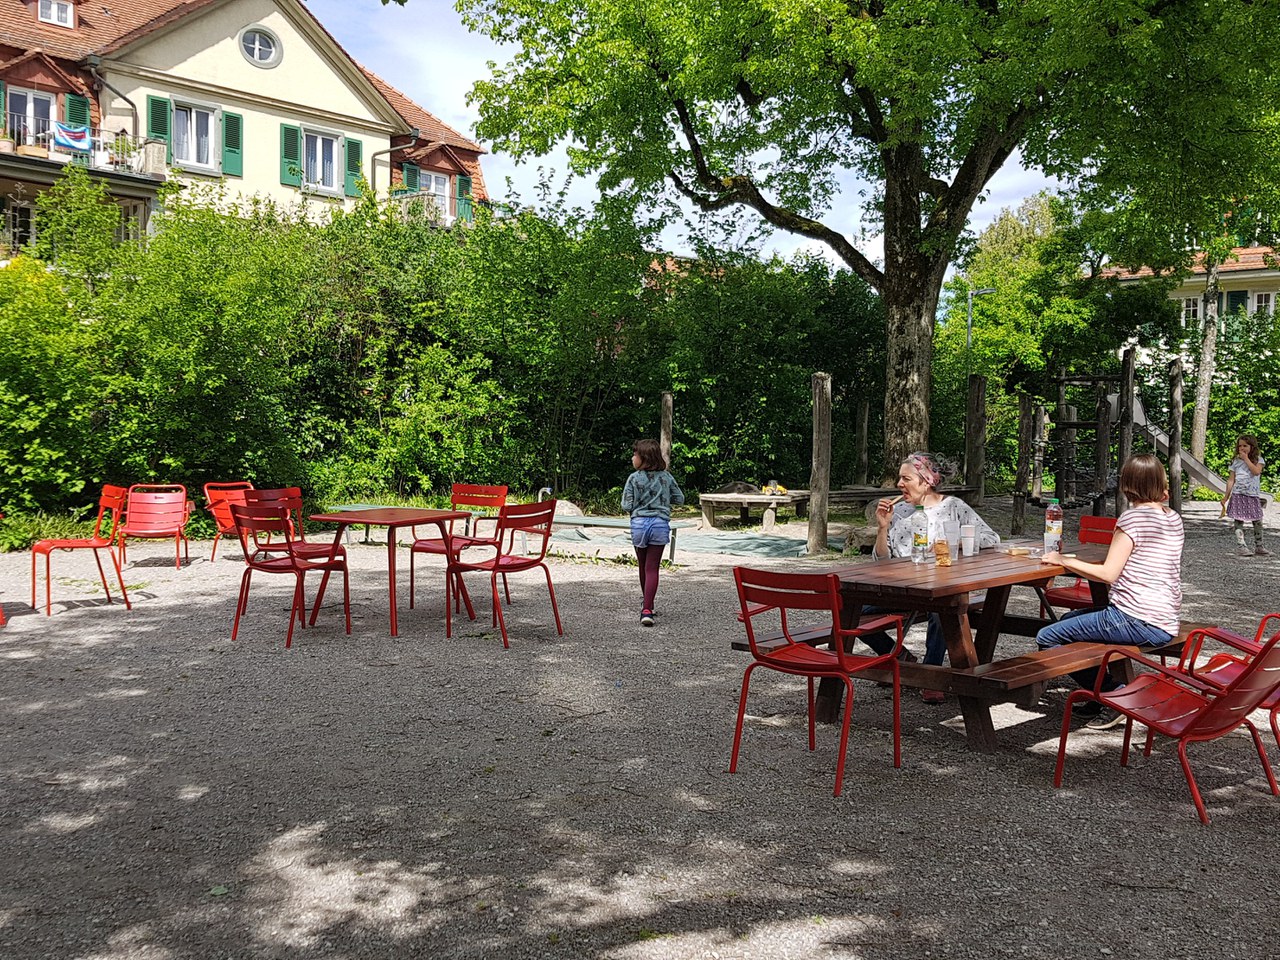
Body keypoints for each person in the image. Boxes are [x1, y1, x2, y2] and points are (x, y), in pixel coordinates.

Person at [1035, 453, 1184, 725]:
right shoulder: (1172, 517)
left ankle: (1115, 694)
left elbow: (1107, 573)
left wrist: (1064, 560)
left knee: (1048, 636)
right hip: (1165, 618)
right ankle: (1097, 695)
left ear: (1127, 483)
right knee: (1069, 621)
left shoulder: (1131, 520)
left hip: (1135, 618)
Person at [860, 451, 1000, 703]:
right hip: (903, 591)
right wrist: (882, 528)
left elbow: (992, 539)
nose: (899, 484)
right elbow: (881, 562)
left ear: (927, 481)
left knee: (942, 608)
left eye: (906, 479)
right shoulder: (898, 511)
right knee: (851, 611)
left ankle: (932, 673)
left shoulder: (954, 507)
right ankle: (899, 657)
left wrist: (953, 544)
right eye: (899, 479)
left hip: (941, 586)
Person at [621, 439, 684, 627]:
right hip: (659, 525)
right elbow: (679, 498)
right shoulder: (666, 477)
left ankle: (647, 605)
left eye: (635, 455)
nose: (633, 458)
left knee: (642, 566)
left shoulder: (633, 478)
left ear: (644, 458)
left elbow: (626, 505)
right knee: (652, 568)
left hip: (639, 525)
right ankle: (647, 608)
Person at [1223, 434, 1270, 557]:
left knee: (1257, 520)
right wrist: (1226, 496)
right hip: (1238, 494)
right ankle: (1241, 546)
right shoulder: (1235, 461)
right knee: (1238, 520)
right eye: (1240, 446)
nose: (1242, 448)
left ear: (1252, 447)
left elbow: (1256, 472)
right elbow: (1231, 479)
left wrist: (1246, 459)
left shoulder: (1259, 459)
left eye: (1245, 445)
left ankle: (1259, 546)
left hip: (1252, 495)